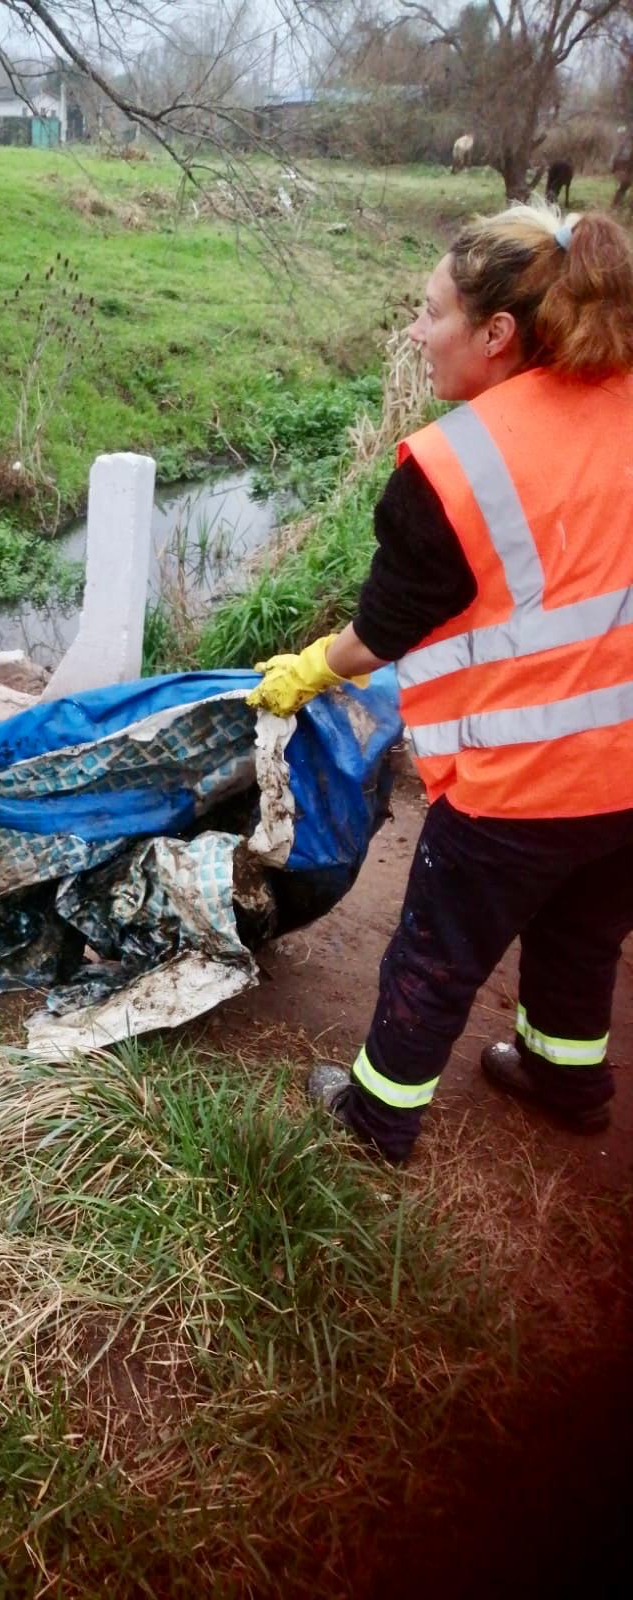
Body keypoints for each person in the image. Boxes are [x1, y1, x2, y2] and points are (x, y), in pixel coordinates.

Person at [248, 200, 633, 1162]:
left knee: (436, 949)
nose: (416, 333)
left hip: (519, 785)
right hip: (626, 779)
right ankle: (565, 1077)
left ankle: (378, 1117)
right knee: (583, 935)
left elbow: (380, 633)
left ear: (498, 334)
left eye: (432, 313)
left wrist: (304, 670)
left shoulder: (459, 465)